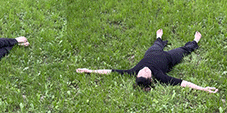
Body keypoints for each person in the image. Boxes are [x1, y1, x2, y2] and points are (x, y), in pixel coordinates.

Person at [75, 29, 218, 93]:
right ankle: (195, 41)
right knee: (184, 50)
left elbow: (111, 71)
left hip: (152, 52)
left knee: (156, 44)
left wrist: (90, 71)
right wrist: (203, 89)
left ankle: (159, 38)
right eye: (145, 73)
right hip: (169, 57)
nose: (143, 70)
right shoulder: (160, 76)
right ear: (151, 78)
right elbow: (182, 83)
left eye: (140, 72)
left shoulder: (134, 71)